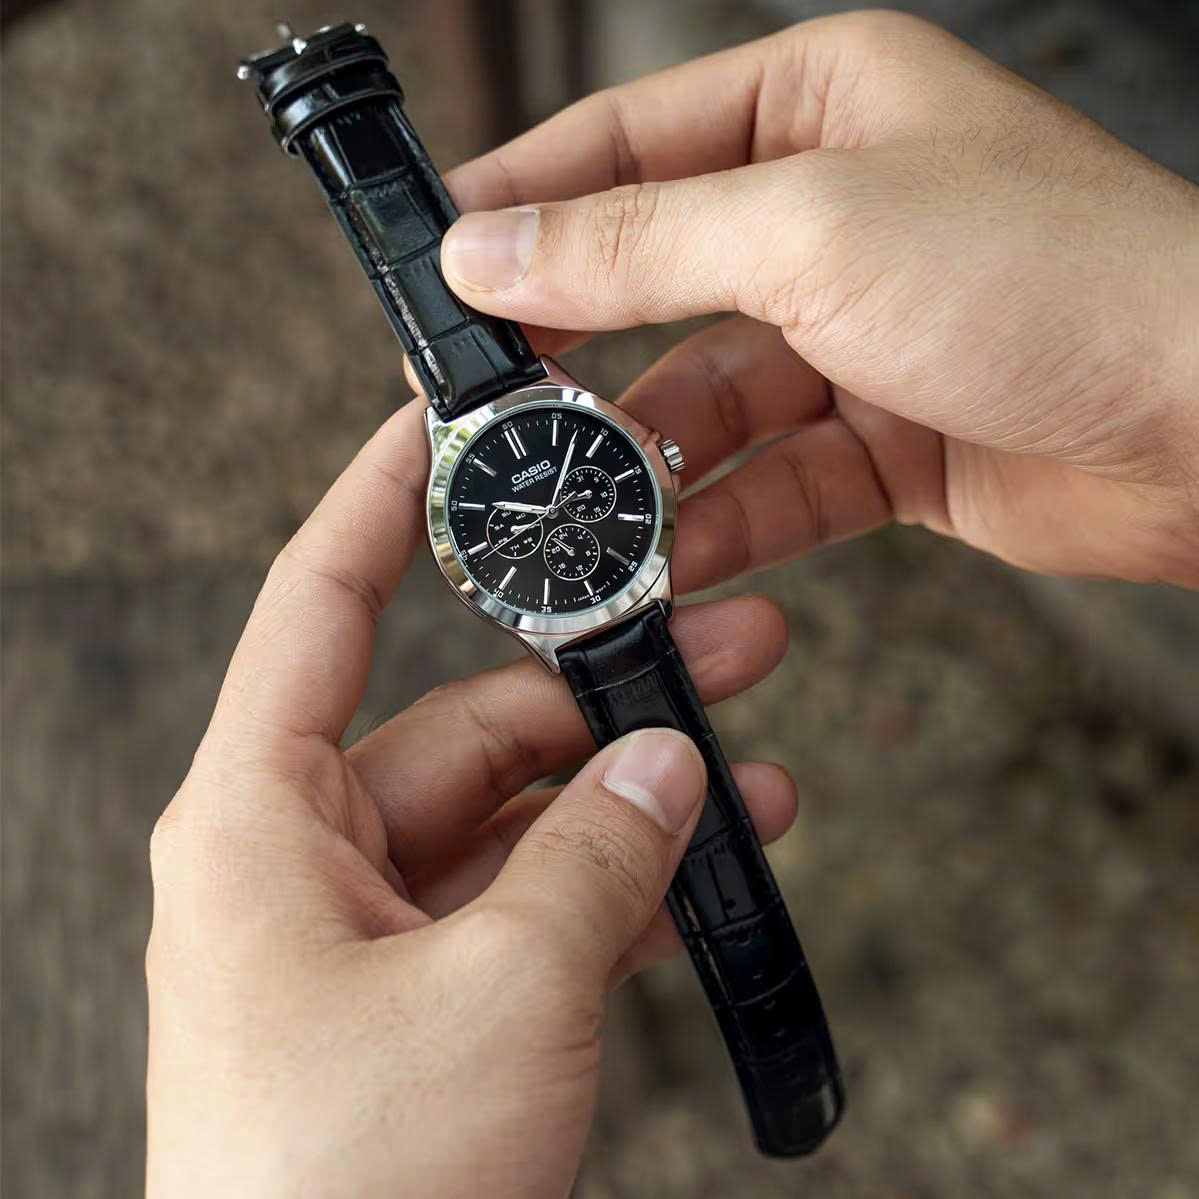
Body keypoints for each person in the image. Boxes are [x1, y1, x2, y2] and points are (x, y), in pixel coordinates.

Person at [146, 12, 1198, 1196]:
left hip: (617, 599)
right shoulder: (525, 485)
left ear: (651, 462)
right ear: (464, 552)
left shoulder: (551, 459)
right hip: (606, 616)